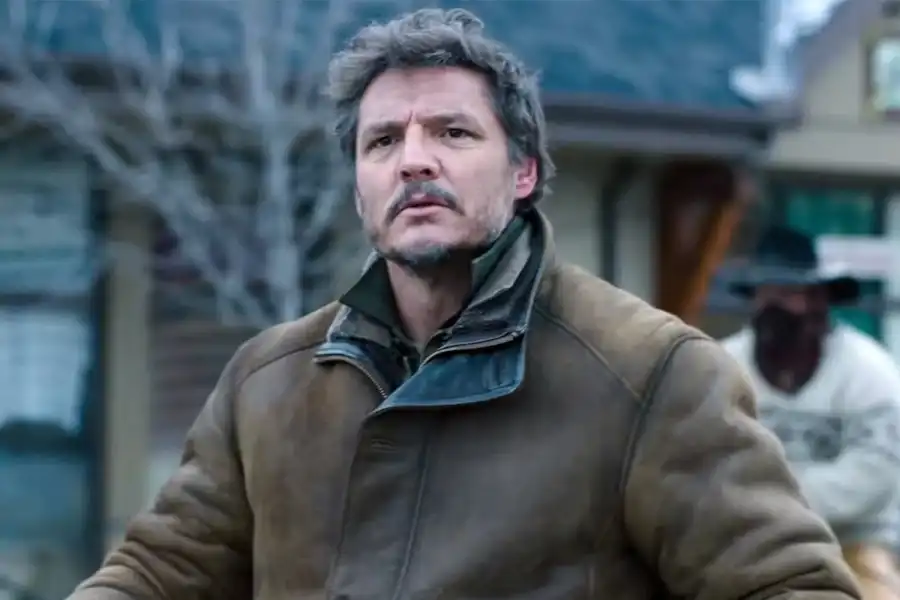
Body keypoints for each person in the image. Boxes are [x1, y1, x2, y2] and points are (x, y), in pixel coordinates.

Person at [69, 9, 860, 600]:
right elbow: (159, 571)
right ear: (359, 188)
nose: (413, 161)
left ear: (523, 172)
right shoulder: (268, 381)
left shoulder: (651, 374)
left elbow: (787, 585)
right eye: (383, 141)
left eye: (452, 133)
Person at [721, 226, 900, 600]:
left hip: (853, 544)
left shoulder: (871, 372)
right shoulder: (720, 367)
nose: (797, 307)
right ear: (756, 298)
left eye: (804, 293)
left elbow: (874, 477)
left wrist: (770, 498)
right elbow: (704, 460)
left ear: (822, 300)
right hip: (748, 544)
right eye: (777, 293)